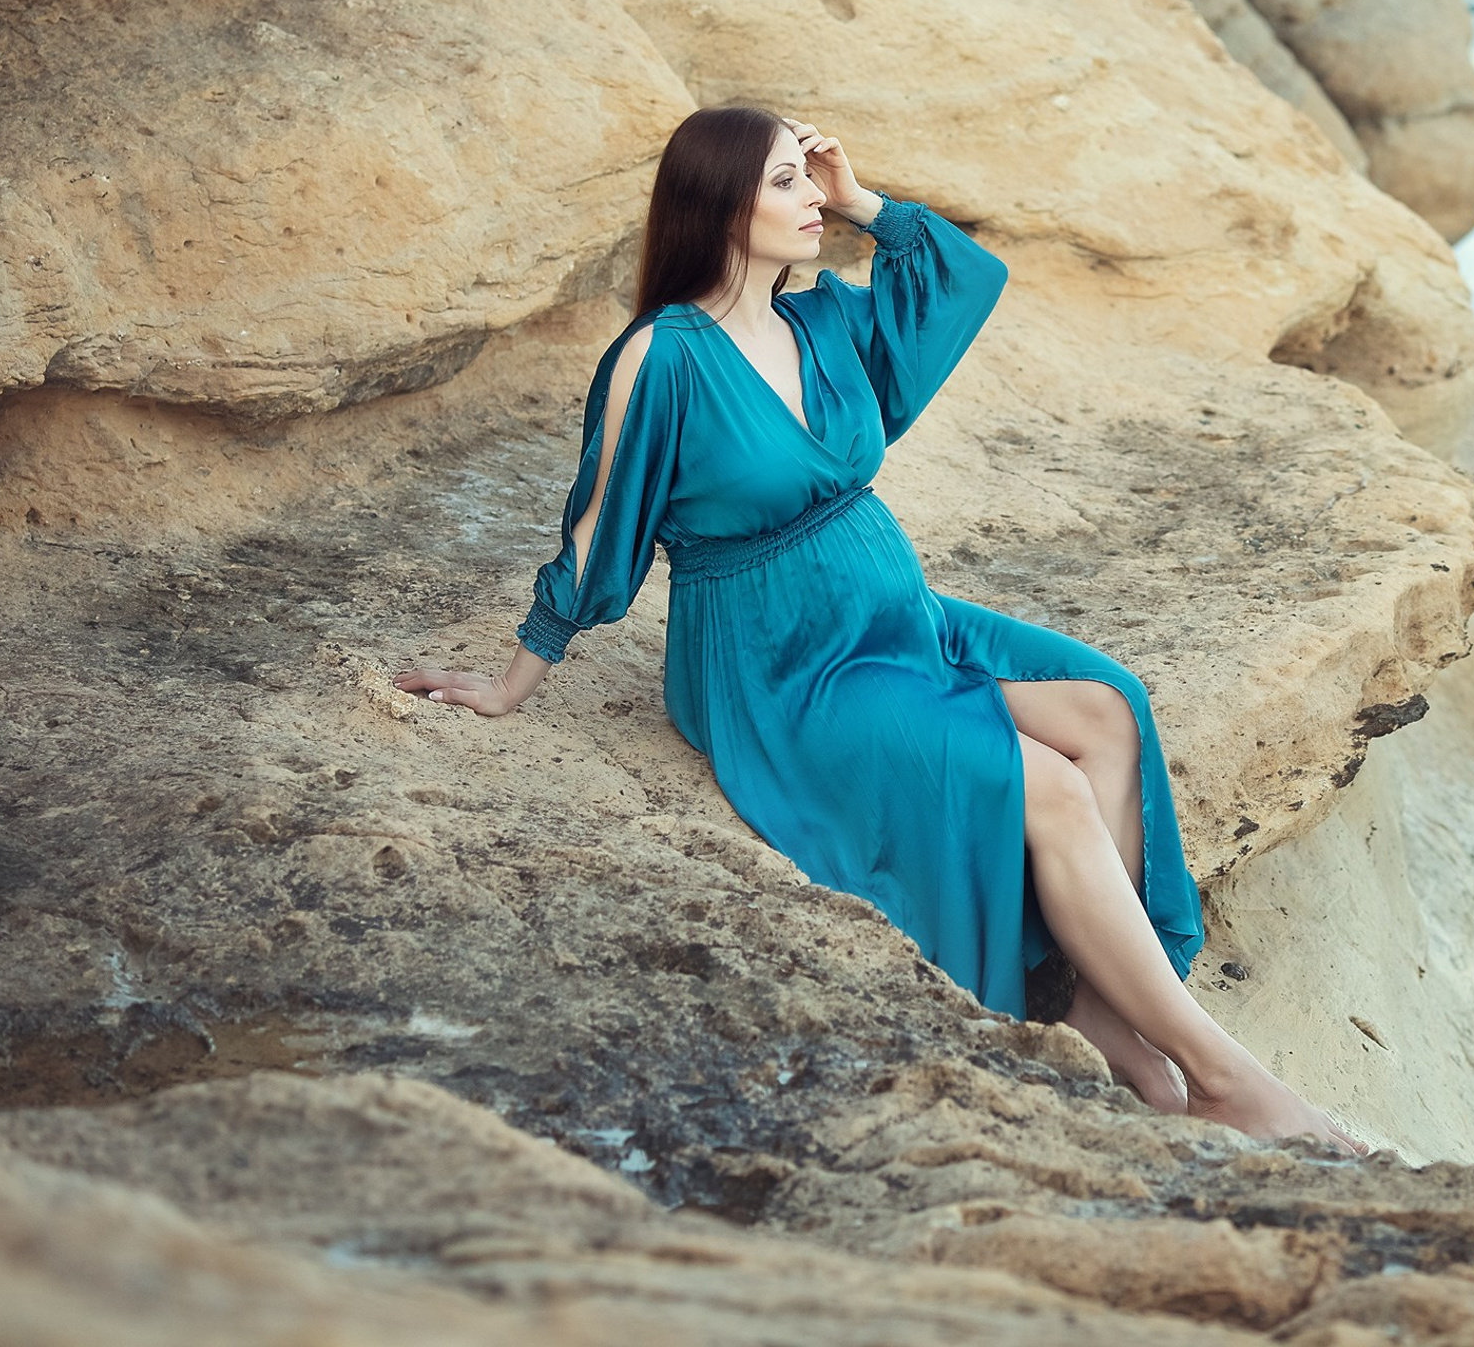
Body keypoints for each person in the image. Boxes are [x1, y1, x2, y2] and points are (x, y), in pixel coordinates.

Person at [398, 103, 1357, 1149]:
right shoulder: (659, 359)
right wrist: (510, 679)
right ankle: (1223, 1078)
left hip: (896, 618)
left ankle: (1097, 1006)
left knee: (1108, 708)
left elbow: (963, 281)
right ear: (715, 204)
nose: (812, 200)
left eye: (809, 182)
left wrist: (864, 201)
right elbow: (596, 525)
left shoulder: (823, 319)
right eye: (786, 183)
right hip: (783, 664)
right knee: (1041, 780)